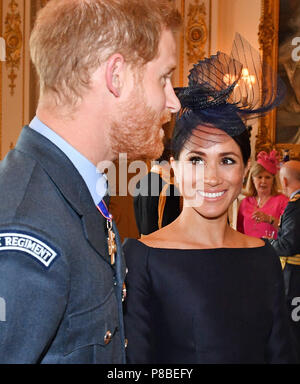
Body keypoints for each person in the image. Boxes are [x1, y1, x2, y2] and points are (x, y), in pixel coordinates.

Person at [0, 0, 181, 363]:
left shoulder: (72, 189)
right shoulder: (29, 226)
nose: (173, 102)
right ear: (116, 76)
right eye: (163, 78)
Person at [123, 41, 296, 363]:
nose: (212, 177)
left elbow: (281, 355)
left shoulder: (263, 258)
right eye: (197, 160)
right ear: (174, 169)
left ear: (244, 169)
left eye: (227, 160)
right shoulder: (144, 257)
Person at [269, 160, 300, 361]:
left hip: (296, 277)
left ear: (284, 180)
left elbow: (288, 245)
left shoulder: (295, 205)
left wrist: (265, 244)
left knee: (294, 329)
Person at [133, 140, 181, 236]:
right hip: (162, 248)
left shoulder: (139, 183)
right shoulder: (170, 189)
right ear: (171, 160)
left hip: (142, 245)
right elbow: (172, 231)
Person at [237, 150, 288, 239]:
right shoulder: (245, 202)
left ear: (273, 180)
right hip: (249, 250)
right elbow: (239, 232)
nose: (263, 181)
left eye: (268, 177)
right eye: (259, 177)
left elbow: (288, 232)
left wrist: (269, 219)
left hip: (273, 251)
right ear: (252, 179)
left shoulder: (283, 201)